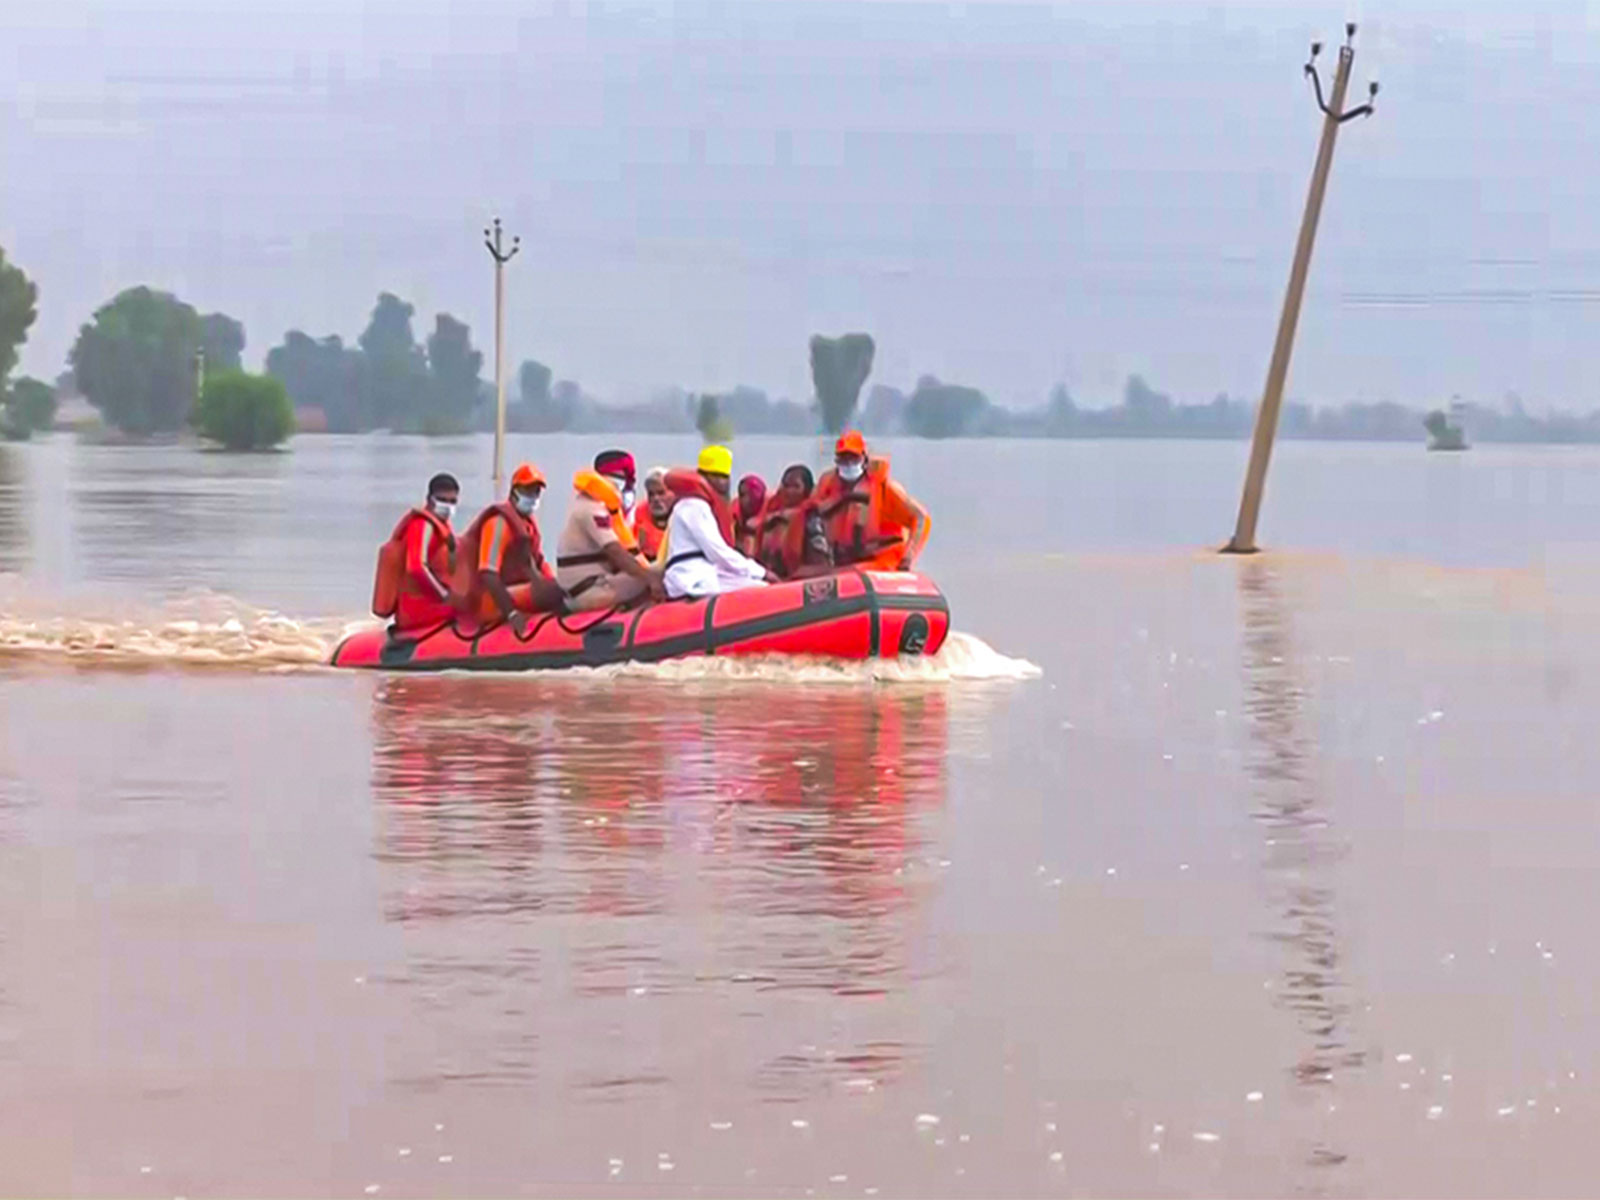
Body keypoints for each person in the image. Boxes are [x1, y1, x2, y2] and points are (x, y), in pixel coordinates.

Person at [452, 462, 565, 633]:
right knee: (553, 590)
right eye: (528, 491)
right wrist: (511, 613)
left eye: (536, 492)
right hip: (491, 601)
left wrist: (556, 586)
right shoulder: (498, 524)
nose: (533, 497)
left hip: (514, 591)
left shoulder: (527, 525)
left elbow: (539, 562)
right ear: (514, 492)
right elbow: (487, 573)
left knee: (560, 587)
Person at [555, 449, 665, 611]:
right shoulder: (593, 509)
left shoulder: (597, 506)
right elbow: (615, 552)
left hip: (595, 582)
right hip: (588, 590)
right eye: (623, 479)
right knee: (658, 576)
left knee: (654, 571)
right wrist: (650, 578)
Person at [661, 444, 774, 599]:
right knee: (761, 589)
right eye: (716, 476)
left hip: (705, 573)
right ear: (702, 477)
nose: (723, 483)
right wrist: (761, 572)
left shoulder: (704, 506)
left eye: (725, 477)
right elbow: (717, 552)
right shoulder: (694, 505)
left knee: (759, 585)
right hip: (690, 578)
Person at [813, 430, 931, 570]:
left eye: (853, 458)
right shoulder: (827, 486)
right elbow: (811, 514)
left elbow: (921, 519)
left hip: (882, 560)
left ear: (864, 459)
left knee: (848, 572)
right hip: (844, 562)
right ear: (836, 460)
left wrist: (908, 557)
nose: (849, 463)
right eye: (843, 458)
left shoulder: (883, 488)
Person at [372, 472, 461, 631]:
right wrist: (446, 597)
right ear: (429, 499)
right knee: (471, 610)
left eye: (452, 501)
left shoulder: (442, 528)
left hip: (431, 604)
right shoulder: (422, 525)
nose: (447, 506)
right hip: (417, 608)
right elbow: (417, 567)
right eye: (442, 500)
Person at [755, 463, 833, 579]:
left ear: (807, 490)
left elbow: (822, 566)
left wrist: (792, 578)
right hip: (770, 585)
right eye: (786, 486)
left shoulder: (812, 519)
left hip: (799, 585)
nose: (789, 491)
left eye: (795, 487)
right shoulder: (770, 520)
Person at [633, 466, 670, 562]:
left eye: (661, 493)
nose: (656, 499)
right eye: (651, 494)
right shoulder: (640, 511)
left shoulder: (683, 513)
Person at [732, 474, 768, 557]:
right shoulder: (734, 509)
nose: (742, 500)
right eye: (740, 495)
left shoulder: (771, 508)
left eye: (745, 495)